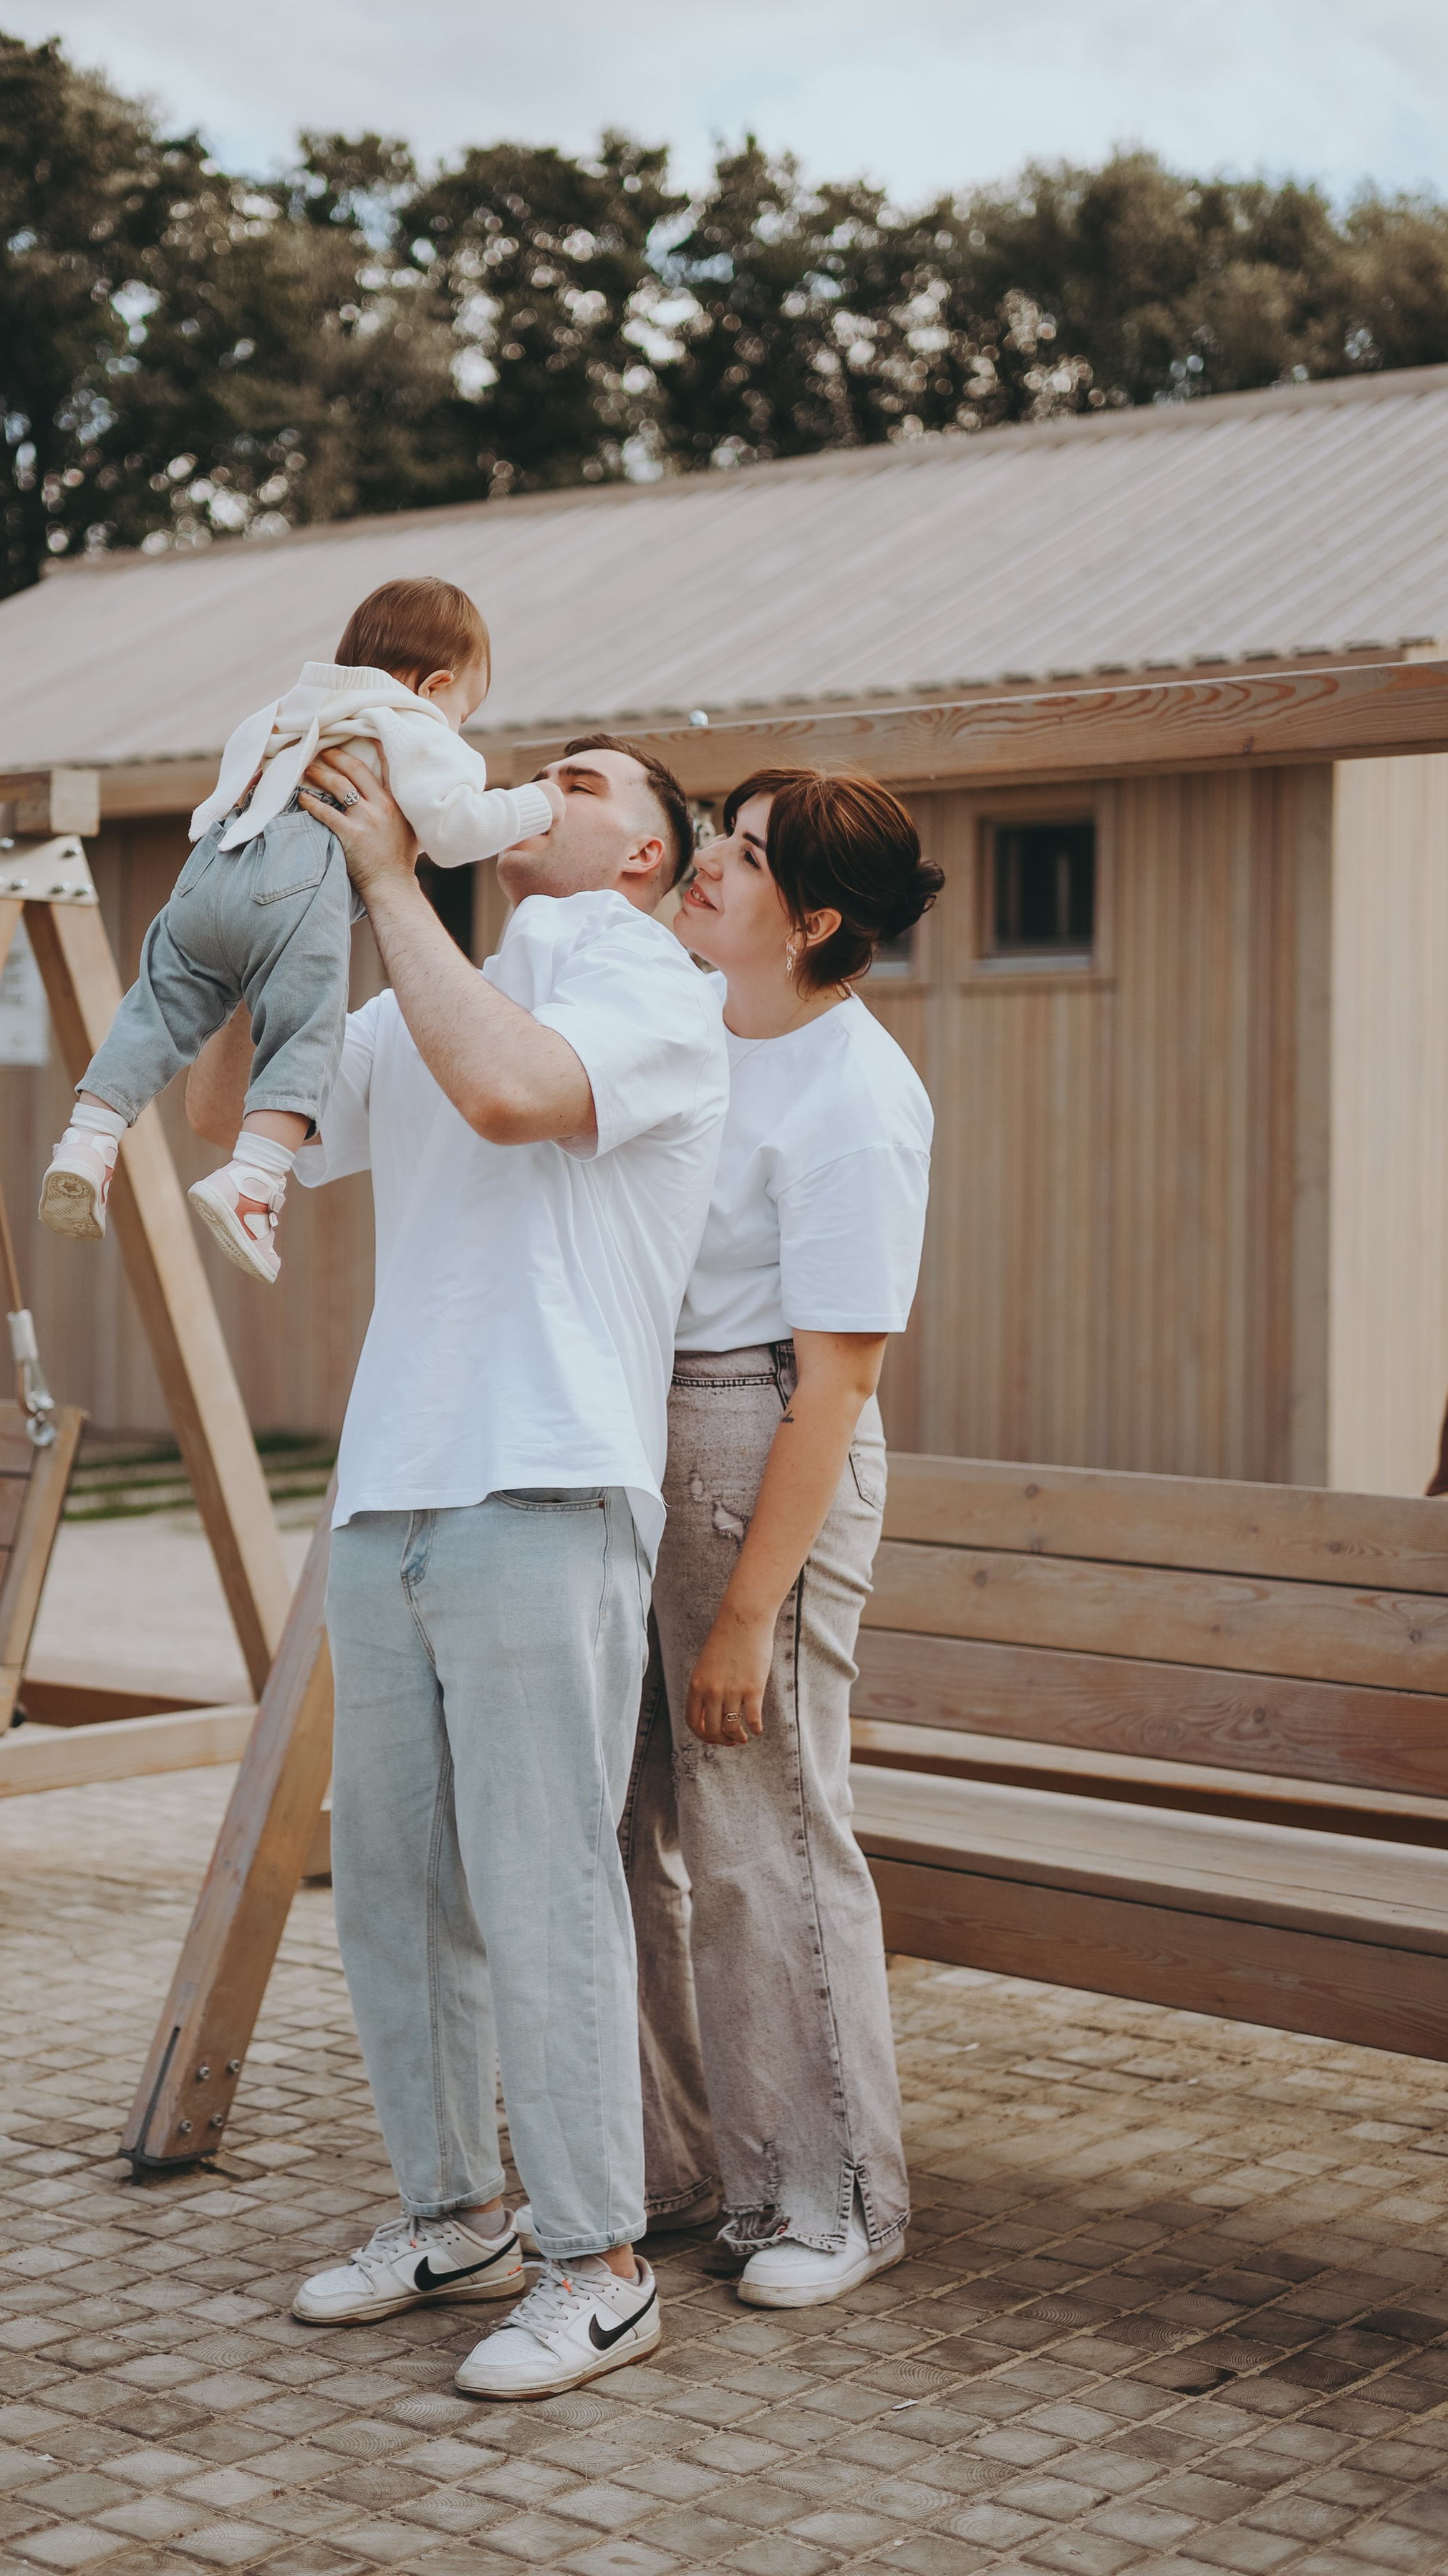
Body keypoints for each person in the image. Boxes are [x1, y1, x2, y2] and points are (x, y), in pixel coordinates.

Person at [273, 733, 728, 2398]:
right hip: (386, 1486)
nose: (541, 774)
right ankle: (453, 2212)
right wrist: (274, 880)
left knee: (542, 1887)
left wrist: (396, 871)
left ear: (644, 860)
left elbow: (510, 1092)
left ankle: (597, 2263)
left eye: (587, 776)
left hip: (542, 1481)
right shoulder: (431, 980)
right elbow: (244, 1112)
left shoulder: (659, 992)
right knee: (391, 1887)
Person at [621, 765, 942, 2310]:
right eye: (716, 839)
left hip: (763, 1445)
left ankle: (833, 2198)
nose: (705, 866)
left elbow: (837, 1386)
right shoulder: (689, 1029)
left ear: (812, 917)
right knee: (608, 1815)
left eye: (743, 857)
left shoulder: (855, 1095)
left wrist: (748, 1614)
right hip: (634, 1432)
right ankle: (675, 2160)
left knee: (761, 1835)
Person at [38, 577, 560, 1281]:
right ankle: (252, 1180)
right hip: (295, 881)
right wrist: (537, 804)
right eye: (463, 713)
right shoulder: (413, 726)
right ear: (436, 687)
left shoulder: (290, 712)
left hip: (209, 869)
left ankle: (87, 1143)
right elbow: (459, 832)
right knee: (304, 1029)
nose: (456, 728)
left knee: (155, 1009)